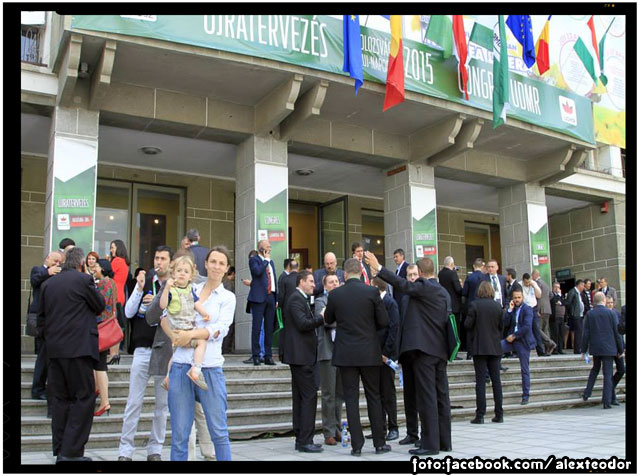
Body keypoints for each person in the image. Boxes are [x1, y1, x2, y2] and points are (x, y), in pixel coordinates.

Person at [367, 252, 452, 456]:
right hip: (439, 350)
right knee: (441, 396)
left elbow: (402, 285)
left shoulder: (425, 287)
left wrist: (379, 269)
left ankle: (430, 444)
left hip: (423, 351)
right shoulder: (443, 292)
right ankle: (443, 441)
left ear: (421, 273)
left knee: (427, 397)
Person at [162, 246, 235, 461]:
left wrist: (191, 334)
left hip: (209, 369)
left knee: (219, 433)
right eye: (213, 261)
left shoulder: (227, 297)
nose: (216, 266)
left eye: (221, 263)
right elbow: (165, 315)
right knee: (179, 436)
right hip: (180, 366)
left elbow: (219, 329)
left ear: (226, 268)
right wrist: (175, 336)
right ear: (205, 263)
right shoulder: (187, 286)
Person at [37, 247, 105, 462]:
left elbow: (41, 319)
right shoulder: (83, 280)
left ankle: (60, 450)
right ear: (81, 263)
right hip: (79, 350)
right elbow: (99, 305)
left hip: (55, 352)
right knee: (83, 398)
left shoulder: (48, 284)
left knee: (59, 400)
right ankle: (72, 452)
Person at [324, 258, 389, 456]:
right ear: (361, 273)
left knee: (351, 399)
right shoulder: (371, 292)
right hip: (369, 352)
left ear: (344, 274)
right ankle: (379, 443)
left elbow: (328, 319)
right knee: (374, 396)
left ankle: (357, 446)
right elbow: (384, 321)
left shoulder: (336, 294)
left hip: (346, 354)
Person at [117, 246, 174, 462]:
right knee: (134, 402)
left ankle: (155, 449)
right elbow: (129, 312)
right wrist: (139, 290)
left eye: (163, 259)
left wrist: (160, 306)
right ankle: (125, 451)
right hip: (141, 349)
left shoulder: (174, 286)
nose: (158, 262)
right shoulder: (145, 282)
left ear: (170, 262)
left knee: (162, 405)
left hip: (164, 350)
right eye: (156, 258)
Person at [281, 270, 326, 453]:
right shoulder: (295, 299)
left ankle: (302, 438)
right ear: (301, 282)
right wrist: (321, 318)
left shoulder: (299, 298)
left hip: (301, 356)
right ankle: (305, 440)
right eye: (310, 281)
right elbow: (303, 324)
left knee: (301, 397)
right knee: (308, 397)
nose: (313, 284)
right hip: (301, 357)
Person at [159, 255, 212, 390]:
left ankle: (168, 378)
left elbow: (196, 303)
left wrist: (204, 313)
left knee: (175, 354)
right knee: (201, 342)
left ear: (190, 277)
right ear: (173, 273)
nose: (182, 273)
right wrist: (166, 289)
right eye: (179, 270)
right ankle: (196, 370)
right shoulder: (171, 291)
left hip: (186, 329)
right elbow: (162, 305)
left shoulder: (190, 290)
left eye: (186, 271)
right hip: (180, 330)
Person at [465, 281, 504, 424]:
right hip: (494, 347)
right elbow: (501, 326)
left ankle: (480, 415)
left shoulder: (474, 305)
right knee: (496, 381)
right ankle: (499, 413)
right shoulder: (498, 306)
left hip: (479, 347)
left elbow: (467, 324)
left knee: (480, 382)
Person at [313, 273, 344, 446]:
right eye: (331, 282)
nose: (334, 284)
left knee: (340, 394)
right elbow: (325, 321)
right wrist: (340, 320)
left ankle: (338, 428)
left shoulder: (343, 301)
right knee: (328, 394)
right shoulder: (321, 301)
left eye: (336, 281)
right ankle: (328, 432)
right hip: (327, 353)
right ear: (325, 286)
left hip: (342, 352)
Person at [30, 250, 63, 402]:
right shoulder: (39, 270)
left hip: (53, 319)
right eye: (55, 261)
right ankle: (37, 389)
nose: (57, 265)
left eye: (59, 263)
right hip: (41, 320)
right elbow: (35, 281)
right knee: (42, 357)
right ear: (48, 258)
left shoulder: (56, 274)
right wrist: (48, 272)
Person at [581, 292, 624, 409]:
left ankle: (587, 392)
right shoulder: (611, 314)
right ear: (604, 300)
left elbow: (586, 334)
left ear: (594, 301)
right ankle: (606, 401)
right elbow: (617, 333)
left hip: (596, 347)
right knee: (608, 374)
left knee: (595, 369)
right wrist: (621, 349)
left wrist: (583, 350)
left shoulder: (590, 314)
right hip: (609, 348)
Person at [371, 277, 400, 442]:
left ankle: (393, 426)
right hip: (374, 354)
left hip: (386, 355)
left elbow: (393, 328)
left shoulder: (390, 303)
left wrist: (386, 353)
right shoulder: (375, 303)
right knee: (376, 392)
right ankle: (379, 426)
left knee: (388, 392)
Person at [501, 287, 536, 405]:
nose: (517, 300)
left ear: (523, 297)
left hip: (522, 341)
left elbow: (527, 327)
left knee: (524, 369)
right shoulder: (513, 309)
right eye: (515, 298)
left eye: (519, 297)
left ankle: (525, 395)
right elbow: (504, 324)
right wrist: (509, 311)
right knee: (496, 348)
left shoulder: (527, 309)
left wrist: (515, 336)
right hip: (511, 339)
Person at [93, 259, 118, 417]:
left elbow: (98, 304)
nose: (94, 268)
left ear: (102, 268)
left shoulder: (103, 284)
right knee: (99, 364)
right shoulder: (112, 283)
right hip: (107, 327)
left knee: (100, 365)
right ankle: (99, 391)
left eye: (96, 265)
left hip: (100, 326)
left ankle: (104, 401)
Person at [247, 240, 277, 366]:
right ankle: (256, 355)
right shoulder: (254, 260)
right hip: (258, 298)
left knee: (269, 328)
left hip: (271, 297)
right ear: (261, 249)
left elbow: (273, 279)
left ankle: (268, 356)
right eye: (267, 247)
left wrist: (276, 298)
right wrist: (265, 260)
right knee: (257, 328)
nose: (270, 249)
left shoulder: (271, 262)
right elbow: (257, 272)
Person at [109, 239, 130, 364]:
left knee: (112, 325)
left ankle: (112, 354)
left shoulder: (116, 261)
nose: (111, 250)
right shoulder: (124, 262)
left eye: (113, 247)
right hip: (120, 295)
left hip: (113, 295)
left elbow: (107, 273)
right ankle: (115, 353)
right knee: (116, 325)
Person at [438, 257, 463, 353]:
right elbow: (458, 289)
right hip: (454, 306)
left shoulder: (440, 274)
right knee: (455, 329)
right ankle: (455, 350)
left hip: (444, 304)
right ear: (452, 264)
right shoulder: (452, 273)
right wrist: (462, 287)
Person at [462, 258, 486, 358]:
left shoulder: (470, 277)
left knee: (470, 330)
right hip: (483, 306)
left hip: (471, 306)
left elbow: (464, 292)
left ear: (474, 266)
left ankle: (470, 353)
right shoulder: (485, 277)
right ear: (482, 266)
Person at [532, 270, 557, 355]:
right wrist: (546, 302)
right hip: (547, 309)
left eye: (532, 275)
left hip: (540, 309)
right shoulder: (546, 284)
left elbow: (537, 296)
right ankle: (548, 350)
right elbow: (551, 295)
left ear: (535, 275)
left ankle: (550, 343)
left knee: (538, 329)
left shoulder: (537, 283)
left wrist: (538, 307)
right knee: (545, 330)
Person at [606, 297, 625, 405]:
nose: (610, 305)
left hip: (618, 347)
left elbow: (620, 332)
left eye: (612, 303)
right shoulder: (603, 315)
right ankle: (612, 396)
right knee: (608, 373)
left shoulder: (617, 314)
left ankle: (610, 388)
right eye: (608, 303)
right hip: (609, 348)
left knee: (621, 370)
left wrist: (622, 348)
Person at [565, 280, 585, 353]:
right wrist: (571, 313)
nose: (583, 287)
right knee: (578, 331)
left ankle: (579, 347)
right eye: (583, 285)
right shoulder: (572, 292)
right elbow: (568, 303)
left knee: (580, 331)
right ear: (579, 285)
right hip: (575, 315)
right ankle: (577, 349)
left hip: (579, 314)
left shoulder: (578, 293)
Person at [549, 283, 566, 354]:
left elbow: (564, 302)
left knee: (561, 333)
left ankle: (560, 349)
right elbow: (554, 301)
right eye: (555, 287)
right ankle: (555, 349)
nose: (557, 289)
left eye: (558, 287)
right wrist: (558, 299)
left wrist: (560, 299)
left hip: (561, 317)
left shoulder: (561, 295)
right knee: (555, 333)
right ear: (553, 287)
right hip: (554, 317)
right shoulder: (552, 295)